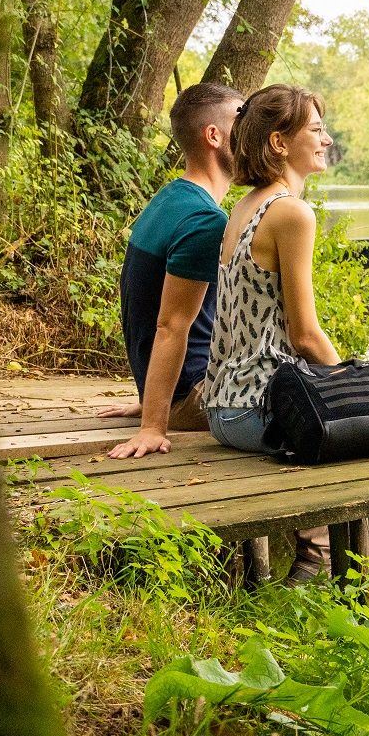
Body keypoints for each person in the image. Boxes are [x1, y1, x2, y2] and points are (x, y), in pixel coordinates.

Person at [202, 83, 369, 599]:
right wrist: (358, 392)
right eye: (316, 130)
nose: (327, 139)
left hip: (226, 405)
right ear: (280, 143)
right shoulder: (292, 214)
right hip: (257, 409)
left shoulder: (246, 206)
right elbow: (305, 334)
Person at [99, 82, 243, 459]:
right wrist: (153, 425)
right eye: (241, 123)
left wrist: (149, 396)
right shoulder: (205, 220)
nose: (252, 134)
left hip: (176, 389)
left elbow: (141, 302)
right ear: (214, 135)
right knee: (314, 400)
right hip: (194, 396)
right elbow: (171, 325)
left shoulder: (170, 198)